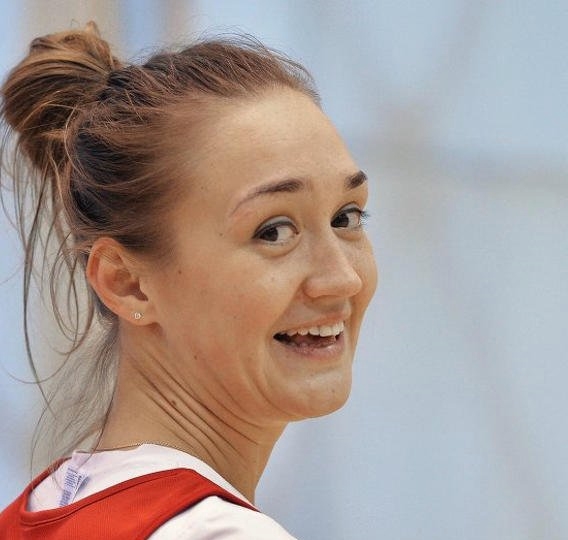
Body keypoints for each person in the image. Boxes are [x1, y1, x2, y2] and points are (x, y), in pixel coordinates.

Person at [0, 21, 377, 539]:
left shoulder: (30, 517)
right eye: (273, 231)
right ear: (127, 282)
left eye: (346, 218)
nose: (342, 279)